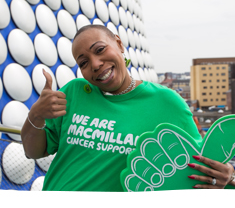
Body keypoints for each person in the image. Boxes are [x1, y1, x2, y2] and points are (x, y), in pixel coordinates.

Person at [21, 25, 235, 191]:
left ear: (119, 44)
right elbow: (33, 152)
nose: (95, 64)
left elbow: (196, 160)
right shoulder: (73, 92)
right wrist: (36, 115)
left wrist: (227, 176)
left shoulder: (166, 102)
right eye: (83, 62)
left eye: (100, 50)